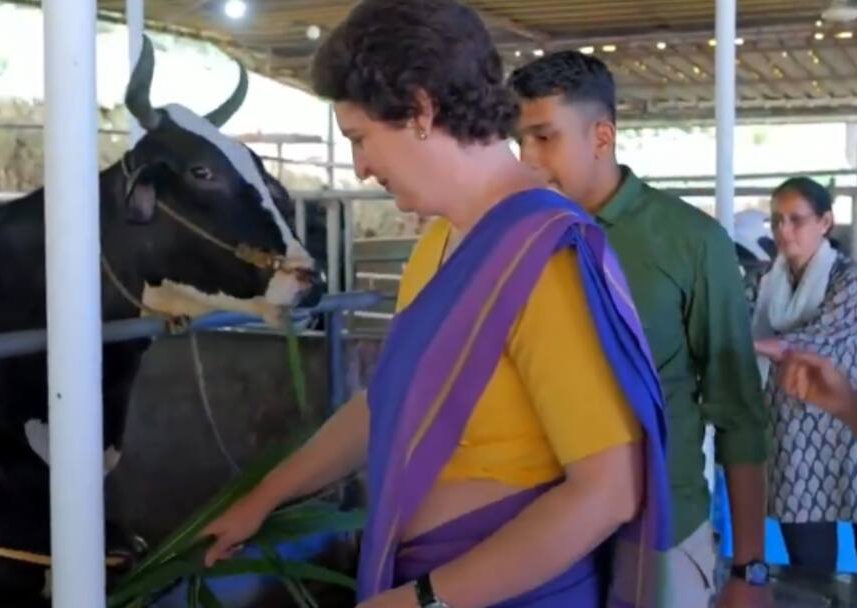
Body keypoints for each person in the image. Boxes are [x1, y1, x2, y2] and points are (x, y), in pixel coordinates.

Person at [199, 2, 671, 607]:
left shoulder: (546, 256)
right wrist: (265, 497)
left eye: (361, 139)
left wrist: (424, 600)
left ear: (420, 109)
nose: (360, 168)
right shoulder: (441, 241)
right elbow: (394, 400)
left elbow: (608, 493)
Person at [509, 51, 771, 608]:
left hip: (660, 526)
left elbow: (738, 411)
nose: (527, 159)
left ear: (601, 136)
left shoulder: (690, 241)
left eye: (544, 137)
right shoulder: (520, 240)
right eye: (520, 141)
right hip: (542, 521)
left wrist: (749, 570)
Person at [750, 177, 857, 577]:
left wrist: (747, 345)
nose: (784, 230)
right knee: (810, 569)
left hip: (846, 426)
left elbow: (819, 339)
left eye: (796, 219)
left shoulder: (848, 279)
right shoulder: (762, 281)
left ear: (825, 222)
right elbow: (735, 323)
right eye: (777, 220)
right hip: (793, 439)